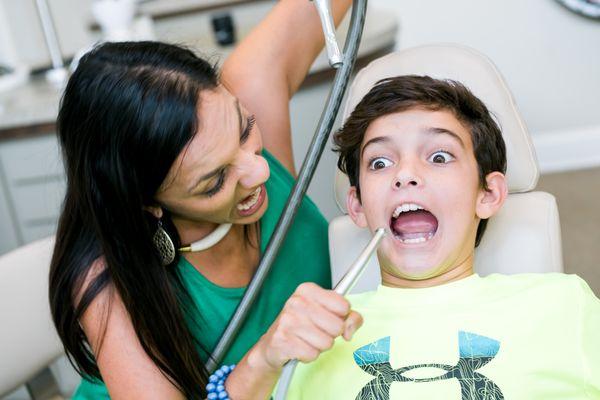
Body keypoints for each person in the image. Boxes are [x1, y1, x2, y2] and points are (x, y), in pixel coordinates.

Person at [49, 0, 364, 398]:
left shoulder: (245, 93)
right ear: (148, 203)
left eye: (245, 128)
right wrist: (263, 358)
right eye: (214, 181)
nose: (260, 171)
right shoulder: (110, 278)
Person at [286, 75, 600, 399]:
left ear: (488, 193)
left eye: (439, 157)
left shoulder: (564, 304)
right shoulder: (313, 334)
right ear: (358, 206)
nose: (405, 175)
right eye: (380, 162)